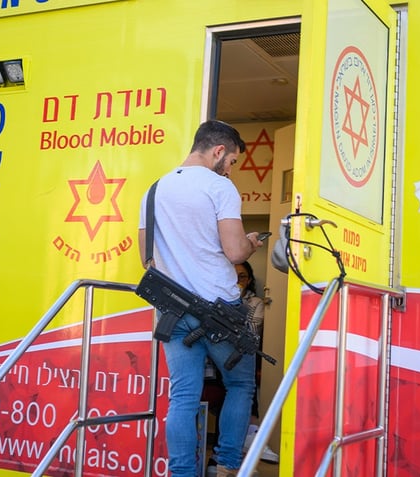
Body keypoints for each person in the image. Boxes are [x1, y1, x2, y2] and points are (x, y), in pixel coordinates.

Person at [138, 120, 263, 477]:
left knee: (183, 397)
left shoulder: (154, 190)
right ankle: (226, 466)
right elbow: (235, 252)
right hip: (221, 309)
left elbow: (146, 255)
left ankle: (182, 473)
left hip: (173, 312)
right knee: (240, 383)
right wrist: (252, 243)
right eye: (233, 161)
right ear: (219, 151)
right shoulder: (219, 188)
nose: (231, 169)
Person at [234, 261, 279, 465]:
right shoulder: (212, 293)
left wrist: (235, 302)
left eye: (241, 277)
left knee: (244, 370)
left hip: (241, 354)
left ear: (249, 280)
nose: (237, 281)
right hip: (213, 360)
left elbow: (252, 333)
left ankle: (251, 433)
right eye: (232, 276)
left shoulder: (255, 303)